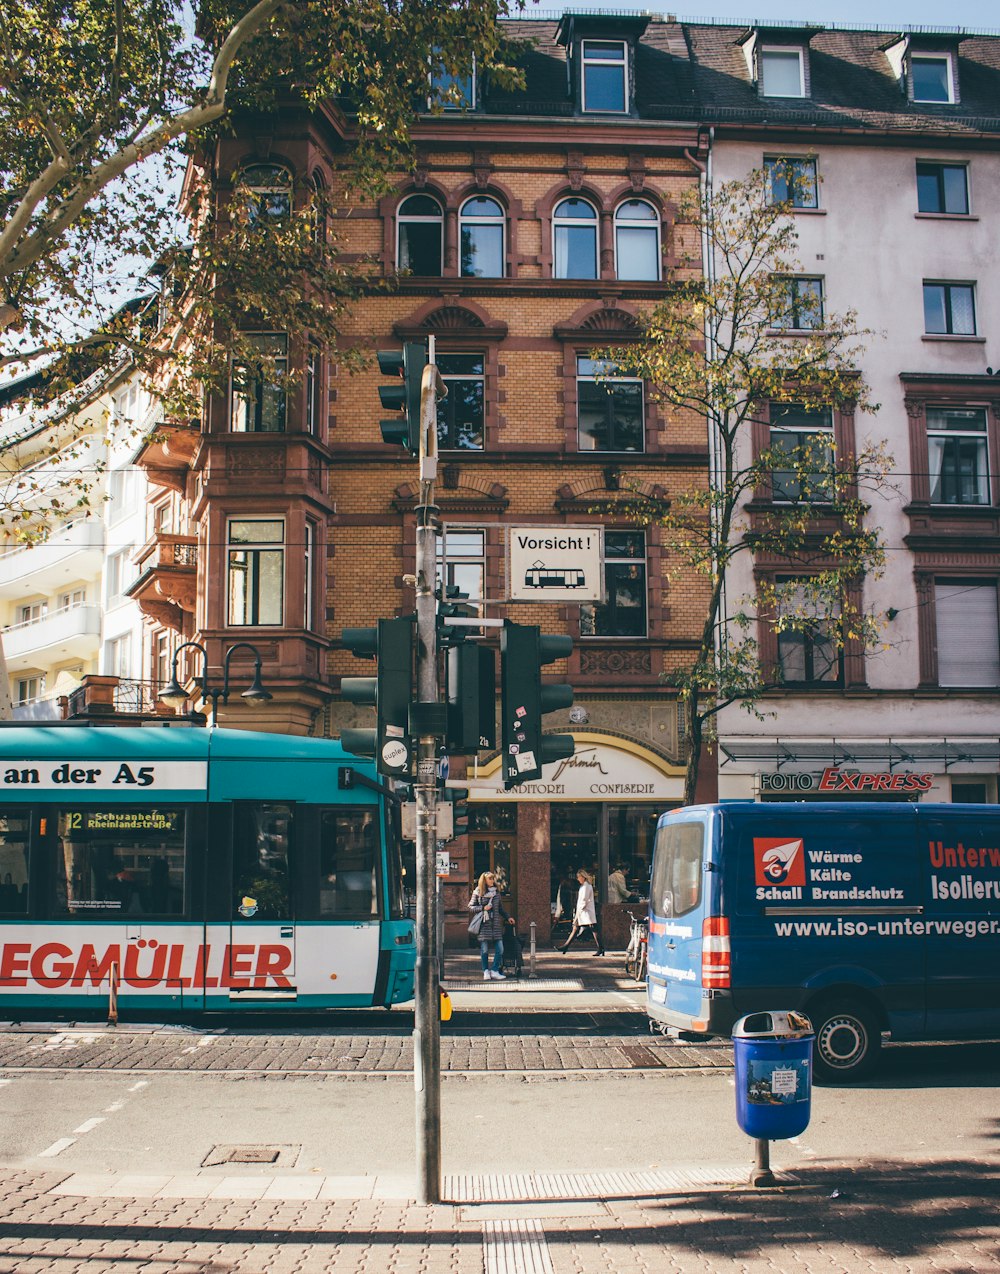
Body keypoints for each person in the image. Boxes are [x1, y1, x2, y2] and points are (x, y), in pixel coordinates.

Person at [468, 871, 509, 981]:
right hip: (484, 925)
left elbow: (500, 909)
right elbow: (471, 907)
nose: (492, 881)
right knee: (484, 950)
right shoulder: (478, 892)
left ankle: (494, 970)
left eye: (492, 878)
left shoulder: (496, 893)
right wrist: (482, 908)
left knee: (500, 949)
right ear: (484, 881)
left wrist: (507, 917)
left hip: (495, 925)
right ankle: (485, 970)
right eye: (490, 879)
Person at [556, 869, 604, 955]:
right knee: (578, 928)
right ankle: (565, 946)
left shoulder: (586, 887)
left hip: (585, 913)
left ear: (583, 877)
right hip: (584, 912)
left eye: (579, 877)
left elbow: (583, 901)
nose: (578, 879)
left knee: (593, 930)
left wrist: (578, 914)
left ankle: (601, 948)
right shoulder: (584, 886)